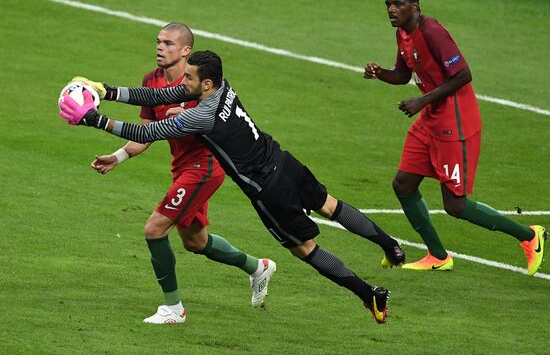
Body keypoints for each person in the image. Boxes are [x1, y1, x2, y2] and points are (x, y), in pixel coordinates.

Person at [59, 50, 405, 324]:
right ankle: (391, 246)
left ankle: (368, 293)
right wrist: (106, 90)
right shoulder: (222, 87)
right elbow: (162, 92)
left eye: (190, 77)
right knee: (331, 205)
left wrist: (95, 118)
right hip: (285, 162)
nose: (184, 82)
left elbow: (146, 133)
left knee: (306, 249)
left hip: (268, 189)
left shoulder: (202, 115)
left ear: (205, 84)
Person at [86, 23, 276, 325]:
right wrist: (119, 156)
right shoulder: (152, 81)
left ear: (186, 50)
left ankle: (173, 309)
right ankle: (258, 267)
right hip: (182, 168)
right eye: (158, 41)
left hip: (205, 167)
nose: (160, 47)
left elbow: (208, 118)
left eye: (169, 43)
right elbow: (147, 132)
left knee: (154, 229)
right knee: (196, 242)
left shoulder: (202, 82)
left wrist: (97, 120)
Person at [363, 0, 546, 273]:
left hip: (455, 123)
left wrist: (422, 100)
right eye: (388, 4)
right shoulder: (403, 34)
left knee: (455, 205)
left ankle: (529, 236)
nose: (391, 10)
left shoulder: (432, 32)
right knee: (403, 184)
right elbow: (402, 73)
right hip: (430, 120)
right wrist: (380, 74)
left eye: (397, 4)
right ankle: (438, 255)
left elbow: (463, 75)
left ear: (415, 7)